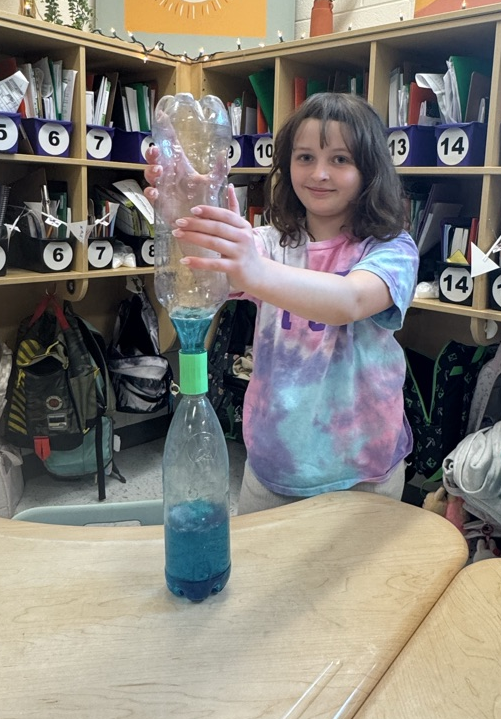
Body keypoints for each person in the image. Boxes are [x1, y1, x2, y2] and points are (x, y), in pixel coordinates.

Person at [145, 92, 419, 514]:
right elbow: (207, 271)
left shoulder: (391, 248)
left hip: (365, 471)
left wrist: (254, 269)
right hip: (274, 467)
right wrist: (186, 212)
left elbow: (351, 299)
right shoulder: (269, 244)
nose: (320, 173)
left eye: (341, 160)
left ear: (370, 169)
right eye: (305, 157)